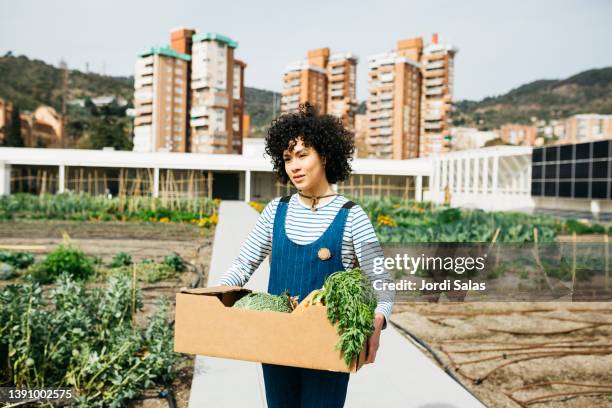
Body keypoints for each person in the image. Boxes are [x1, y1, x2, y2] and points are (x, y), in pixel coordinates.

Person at [216, 102, 395, 408]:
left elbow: (382, 283)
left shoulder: (351, 217)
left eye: (302, 155)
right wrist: (214, 297)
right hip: (277, 344)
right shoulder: (275, 211)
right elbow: (243, 264)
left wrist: (377, 322)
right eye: (287, 159)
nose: (294, 167)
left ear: (324, 155)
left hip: (329, 346)